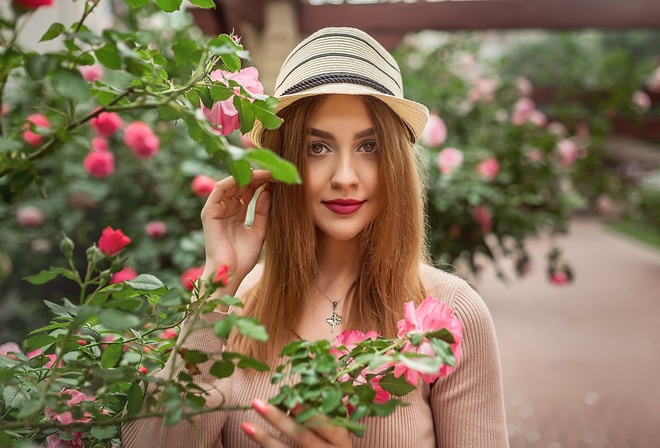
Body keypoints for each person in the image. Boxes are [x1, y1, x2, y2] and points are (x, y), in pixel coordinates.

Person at [123, 27, 508, 448]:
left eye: (369, 147)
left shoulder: (451, 314)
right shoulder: (232, 306)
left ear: (397, 162)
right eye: (317, 148)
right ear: (282, 162)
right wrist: (218, 286)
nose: (345, 178)